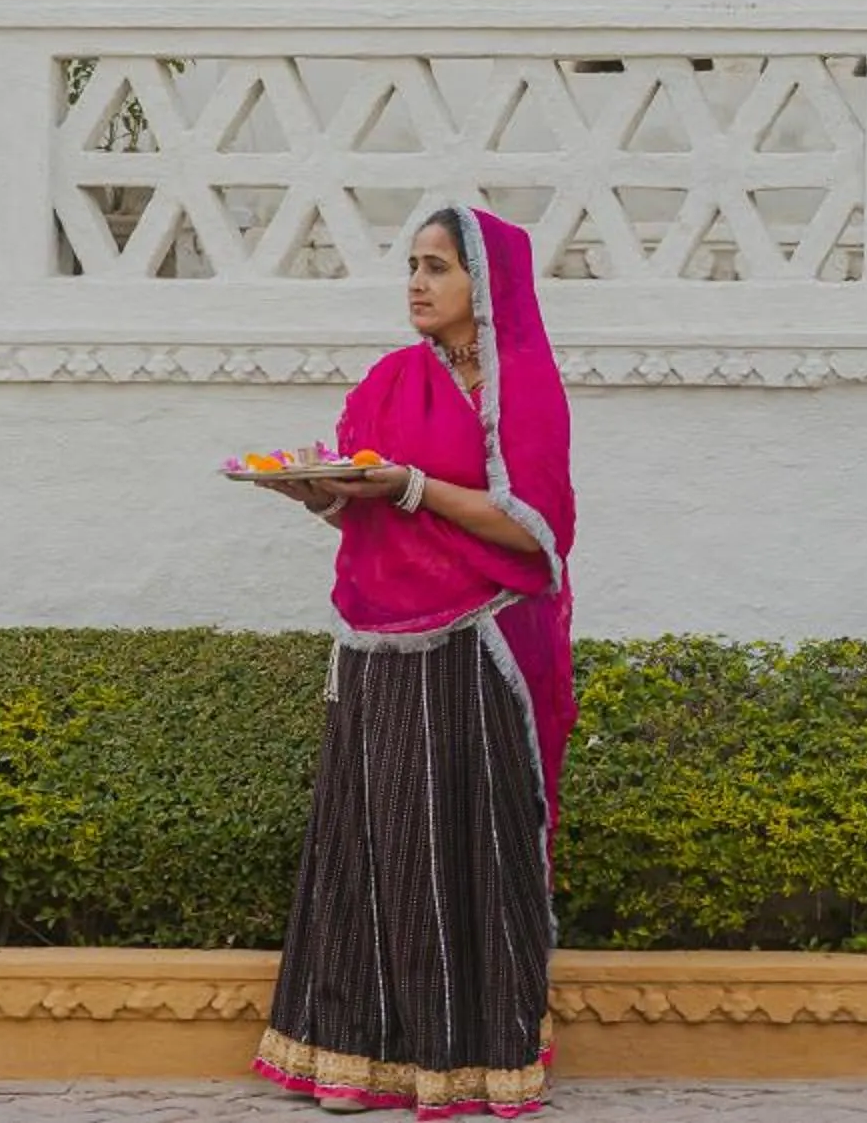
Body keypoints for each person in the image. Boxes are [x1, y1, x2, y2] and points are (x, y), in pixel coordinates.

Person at [248, 205, 578, 1119]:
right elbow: (358, 504)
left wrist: (413, 486)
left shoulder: (524, 391)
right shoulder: (392, 379)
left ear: (488, 285)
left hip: (481, 645)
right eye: (412, 266)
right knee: (373, 844)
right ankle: (355, 1059)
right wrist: (311, 493)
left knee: (470, 850)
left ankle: (476, 1060)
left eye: (437, 266)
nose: (418, 284)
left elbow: (533, 532)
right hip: (380, 645)